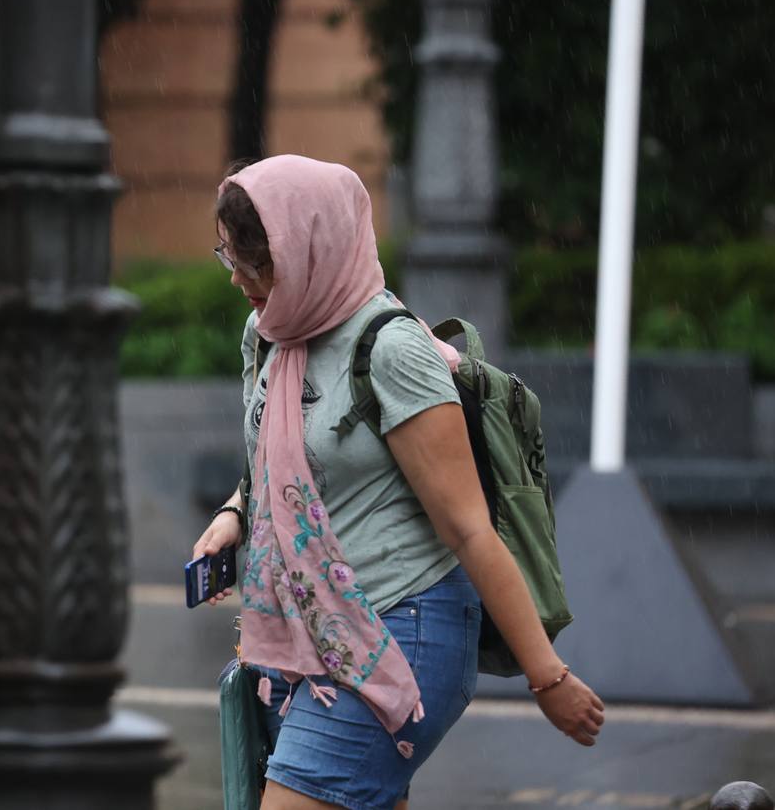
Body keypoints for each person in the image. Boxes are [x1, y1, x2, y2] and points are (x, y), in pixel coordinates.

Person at [192, 156, 604, 810]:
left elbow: (468, 527)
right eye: (229, 258)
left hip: (398, 632)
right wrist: (236, 512)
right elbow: (271, 456)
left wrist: (546, 677)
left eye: (257, 263)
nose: (241, 279)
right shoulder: (268, 333)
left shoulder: (391, 350)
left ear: (310, 250)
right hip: (301, 641)